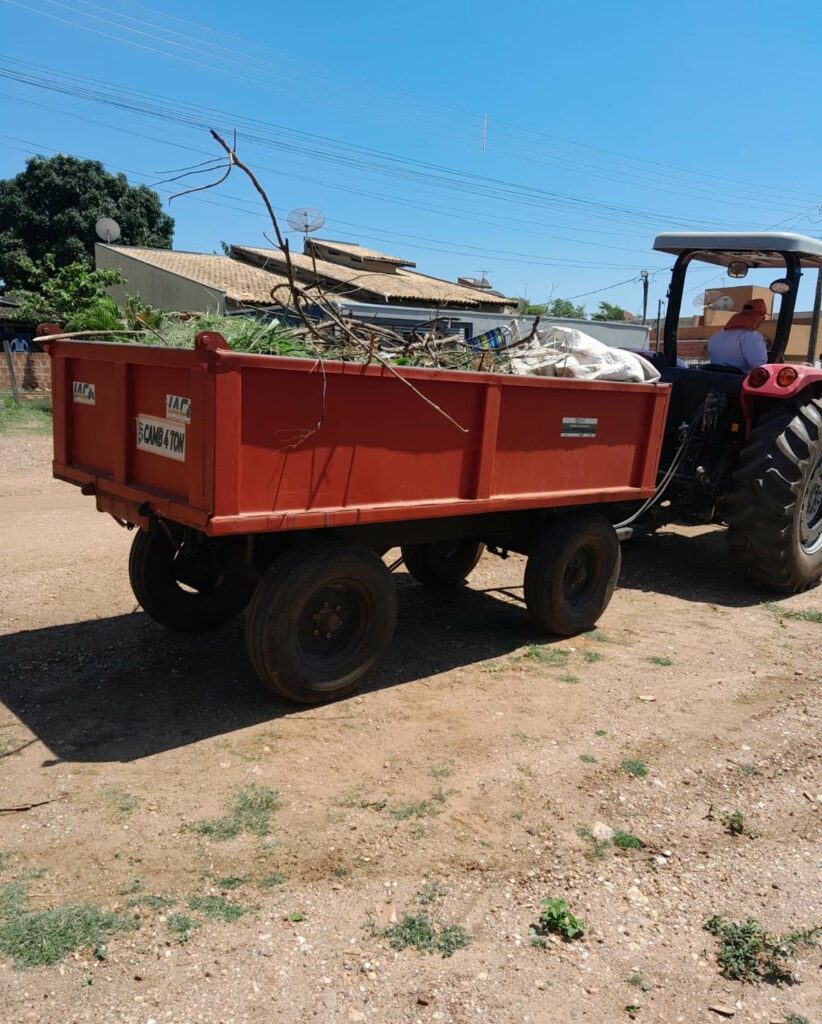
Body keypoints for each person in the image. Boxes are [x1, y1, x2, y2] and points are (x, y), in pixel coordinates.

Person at [707, 298, 768, 371]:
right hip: (739, 381)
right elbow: (759, 366)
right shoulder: (751, 337)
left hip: (715, 380)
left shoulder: (716, 336)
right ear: (761, 319)